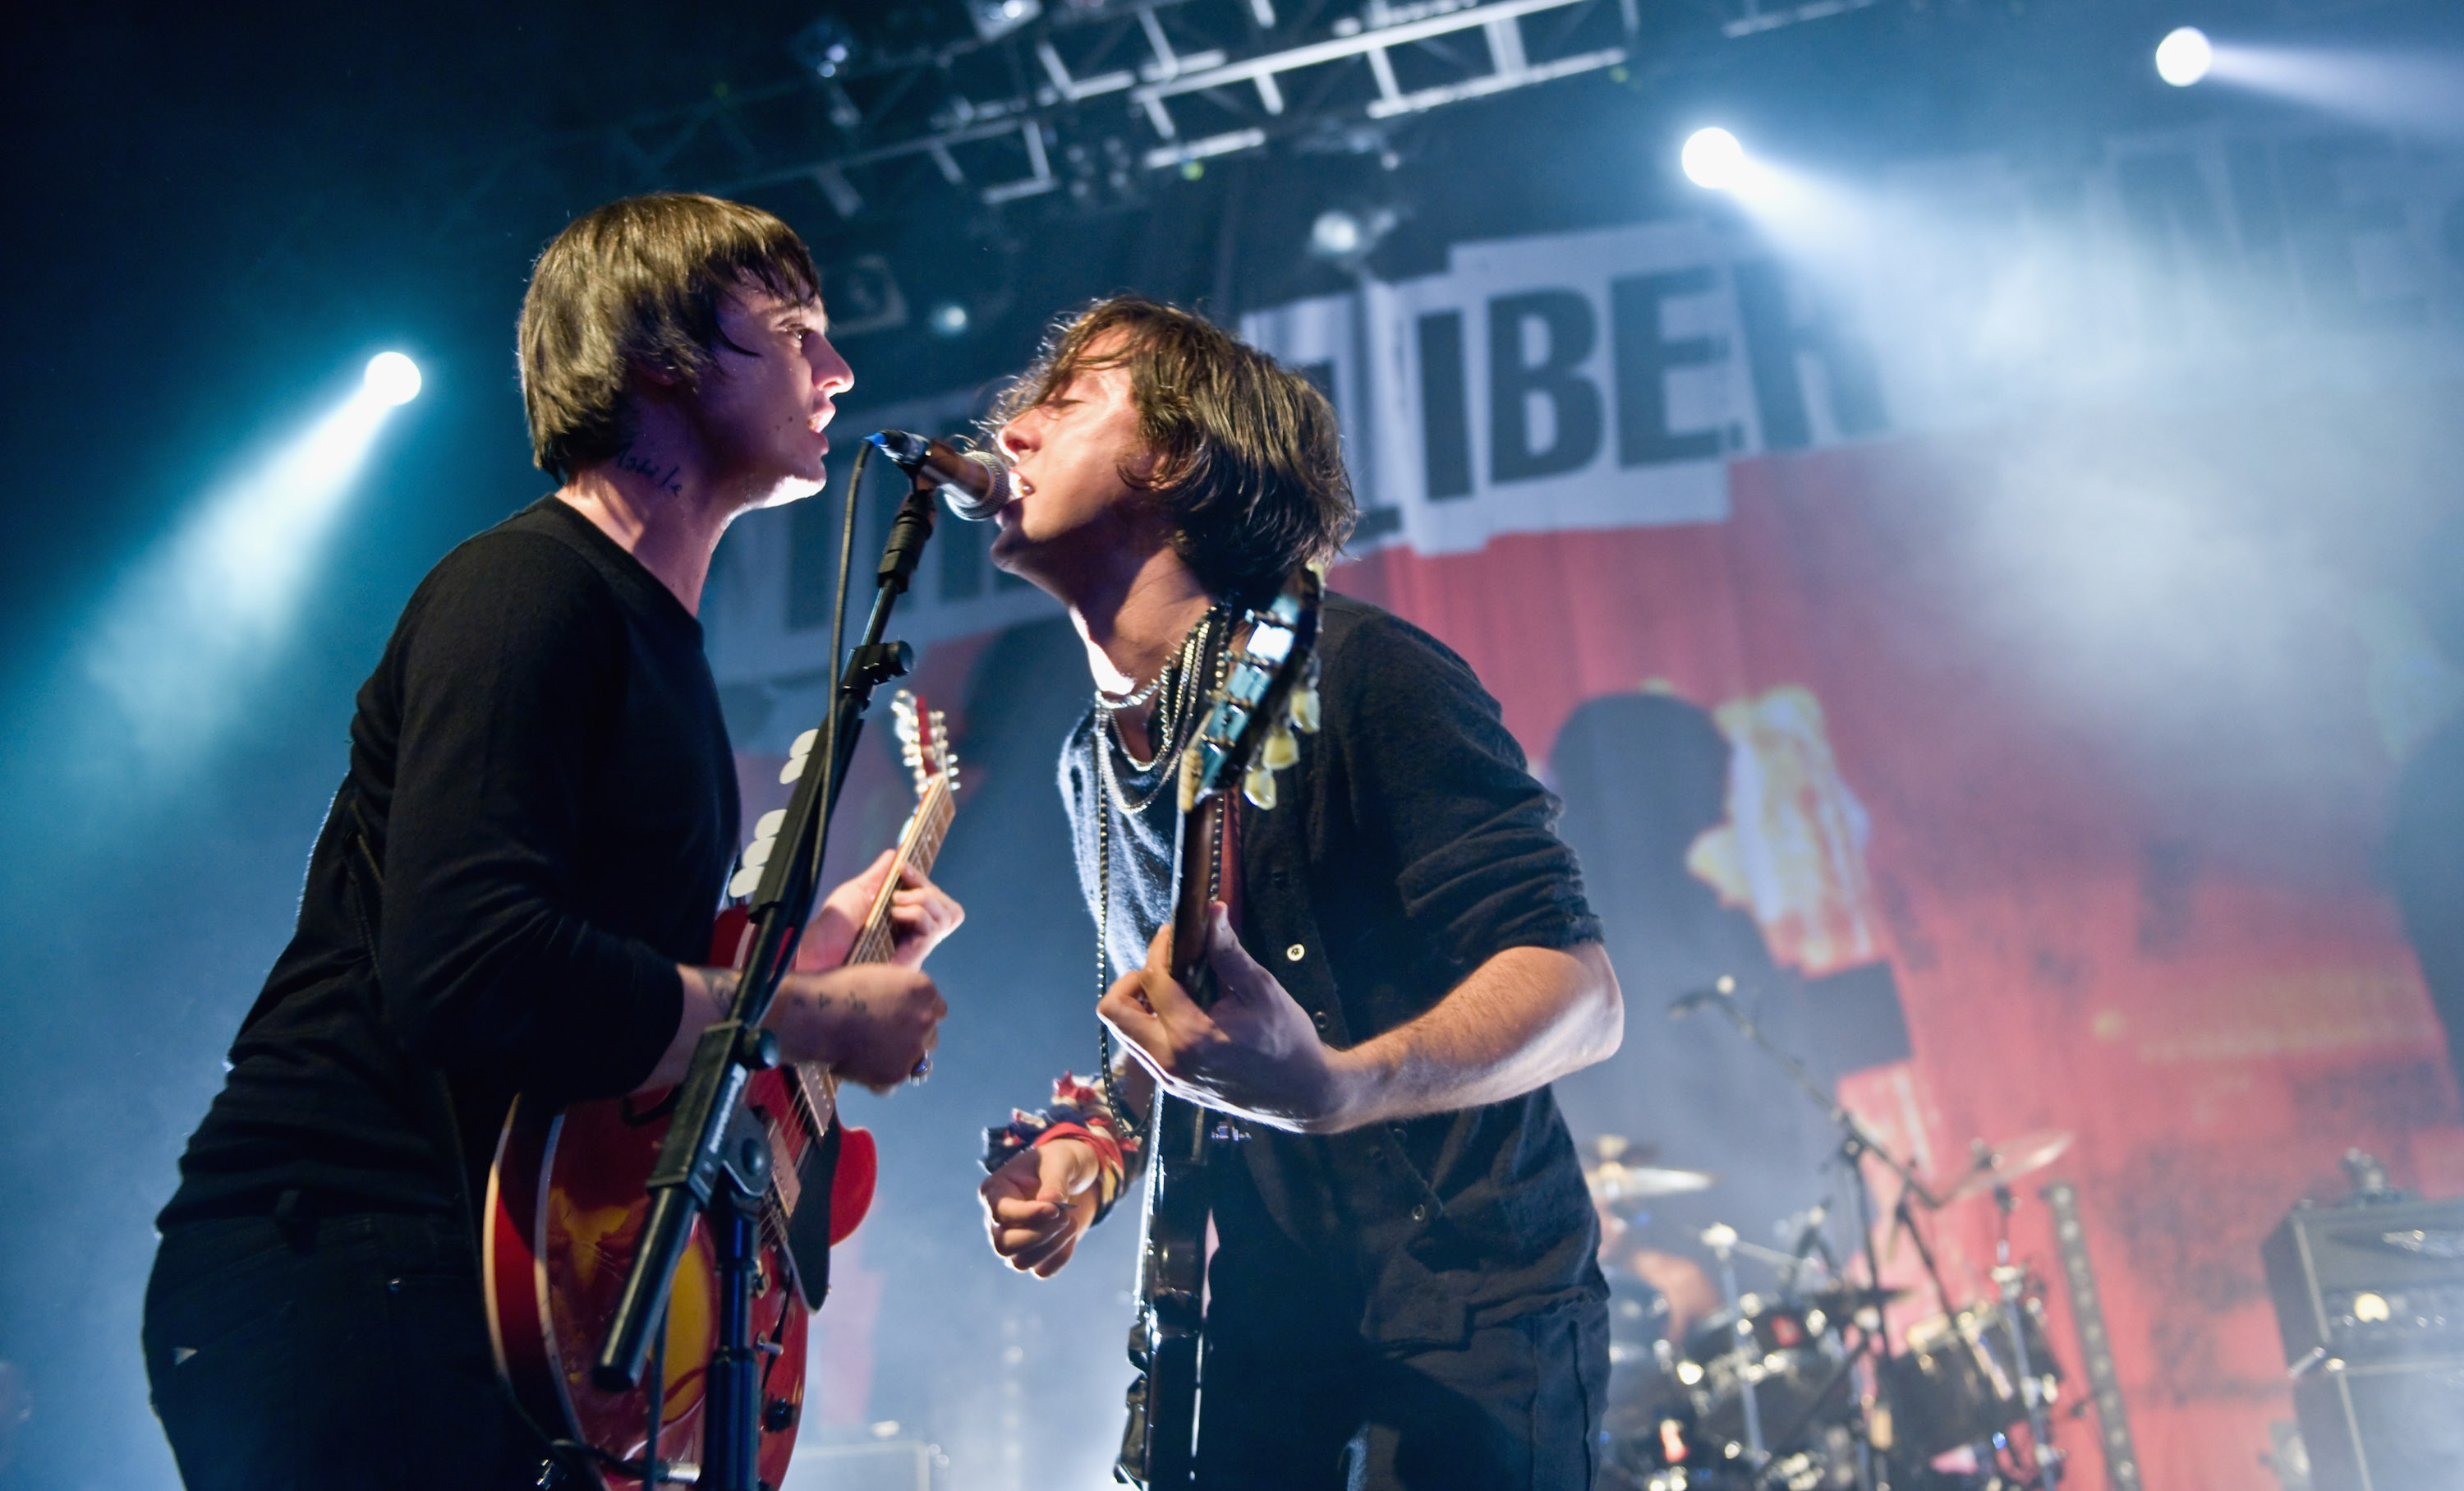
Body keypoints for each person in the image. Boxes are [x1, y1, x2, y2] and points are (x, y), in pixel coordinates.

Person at [143, 193, 959, 1490]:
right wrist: (801, 1014)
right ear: (661, 355)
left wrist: (810, 951)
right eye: (796, 330)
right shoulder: (526, 590)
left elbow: (602, 996)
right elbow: (471, 964)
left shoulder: (656, 641)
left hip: (479, 1278)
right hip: (350, 1254)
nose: (840, 368)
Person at [972, 296, 1624, 1489]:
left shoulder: (1369, 672)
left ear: (1169, 458)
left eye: (1062, 402)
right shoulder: (1086, 761)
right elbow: (1167, 1026)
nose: (1010, 430)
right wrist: (1093, 1152)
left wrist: (1340, 1087)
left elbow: (1582, 991)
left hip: (1473, 1316)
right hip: (1269, 1318)